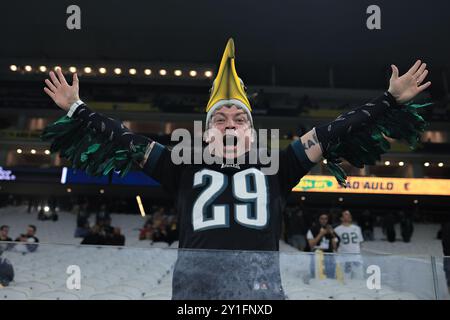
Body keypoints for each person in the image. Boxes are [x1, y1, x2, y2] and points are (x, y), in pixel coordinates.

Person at [42, 38, 431, 299]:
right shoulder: (181, 166)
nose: (229, 124)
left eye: (239, 119)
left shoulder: (279, 165)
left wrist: (389, 101)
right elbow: (121, 138)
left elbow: (334, 131)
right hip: (195, 298)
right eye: (219, 119)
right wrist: (77, 108)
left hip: (261, 298)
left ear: (251, 132)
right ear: (206, 133)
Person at [334, 210, 364, 280]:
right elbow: (335, 245)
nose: (349, 216)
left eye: (349, 214)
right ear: (341, 218)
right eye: (346, 214)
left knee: (359, 277)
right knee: (345, 278)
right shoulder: (337, 229)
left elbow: (360, 243)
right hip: (344, 257)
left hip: (356, 257)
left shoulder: (357, 228)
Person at [306, 213, 338, 279]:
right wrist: (321, 234)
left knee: (330, 276)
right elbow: (311, 245)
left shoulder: (331, 230)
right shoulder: (312, 230)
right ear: (318, 219)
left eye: (326, 219)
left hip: (329, 256)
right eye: (322, 218)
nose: (324, 220)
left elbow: (335, 247)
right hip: (316, 256)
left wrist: (332, 234)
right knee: (316, 276)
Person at [441, 220, 450, 291]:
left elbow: (443, 241)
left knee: (448, 278)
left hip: (447, 255)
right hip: (447, 255)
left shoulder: (446, 225)